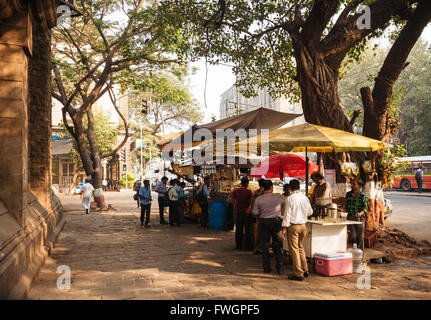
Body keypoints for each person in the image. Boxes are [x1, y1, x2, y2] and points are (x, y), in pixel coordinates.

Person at [282, 179, 313, 281]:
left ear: (290, 188)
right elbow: (310, 212)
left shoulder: (289, 199)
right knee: (300, 247)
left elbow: (287, 214)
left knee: (294, 250)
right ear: (299, 187)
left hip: (294, 226)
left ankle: (298, 273)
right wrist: (302, 214)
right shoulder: (304, 198)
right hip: (303, 226)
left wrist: (284, 228)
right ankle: (305, 269)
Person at [252, 180, 285, 274]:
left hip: (264, 222)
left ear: (263, 188)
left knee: (265, 246)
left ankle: (266, 268)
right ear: (271, 187)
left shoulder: (259, 199)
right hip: (276, 222)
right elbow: (288, 200)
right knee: (278, 245)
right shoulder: (278, 197)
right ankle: (280, 268)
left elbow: (255, 212)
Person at [345, 176, 368, 251]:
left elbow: (365, 208)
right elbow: (346, 206)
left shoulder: (362, 196)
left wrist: (360, 213)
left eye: (354, 184)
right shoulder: (348, 194)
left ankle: (360, 253)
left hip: (360, 218)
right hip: (350, 217)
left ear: (359, 186)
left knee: (360, 236)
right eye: (351, 184)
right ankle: (355, 250)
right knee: (353, 235)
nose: (352, 186)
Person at [231, 177, 253, 250]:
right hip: (246, 212)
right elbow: (251, 202)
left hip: (238, 212)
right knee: (247, 230)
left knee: (238, 230)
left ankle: (238, 245)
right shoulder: (249, 191)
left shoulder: (236, 191)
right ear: (247, 184)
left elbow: (232, 201)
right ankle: (246, 246)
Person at [252, 179, 266, 255]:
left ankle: (257, 247)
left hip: (258, 213)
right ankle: (261, 248)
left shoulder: (256, 192)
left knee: (258, 231)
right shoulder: (264, 192)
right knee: (263, 231)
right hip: (264, 214)